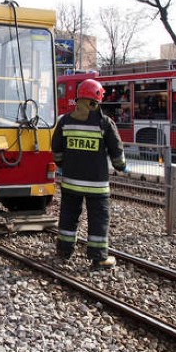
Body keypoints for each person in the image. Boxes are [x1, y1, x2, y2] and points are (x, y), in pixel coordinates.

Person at [52, 78, 127, 270]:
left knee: (68, 215)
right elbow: (116, 152)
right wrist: (121, 166)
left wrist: (62, 164)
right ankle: (98, 257)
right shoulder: (105, 123)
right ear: (97, 98)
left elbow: (56, 149)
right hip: (97, 185)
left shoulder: (65, 122)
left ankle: (64, 251)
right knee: (98, 219)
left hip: (70, 182)